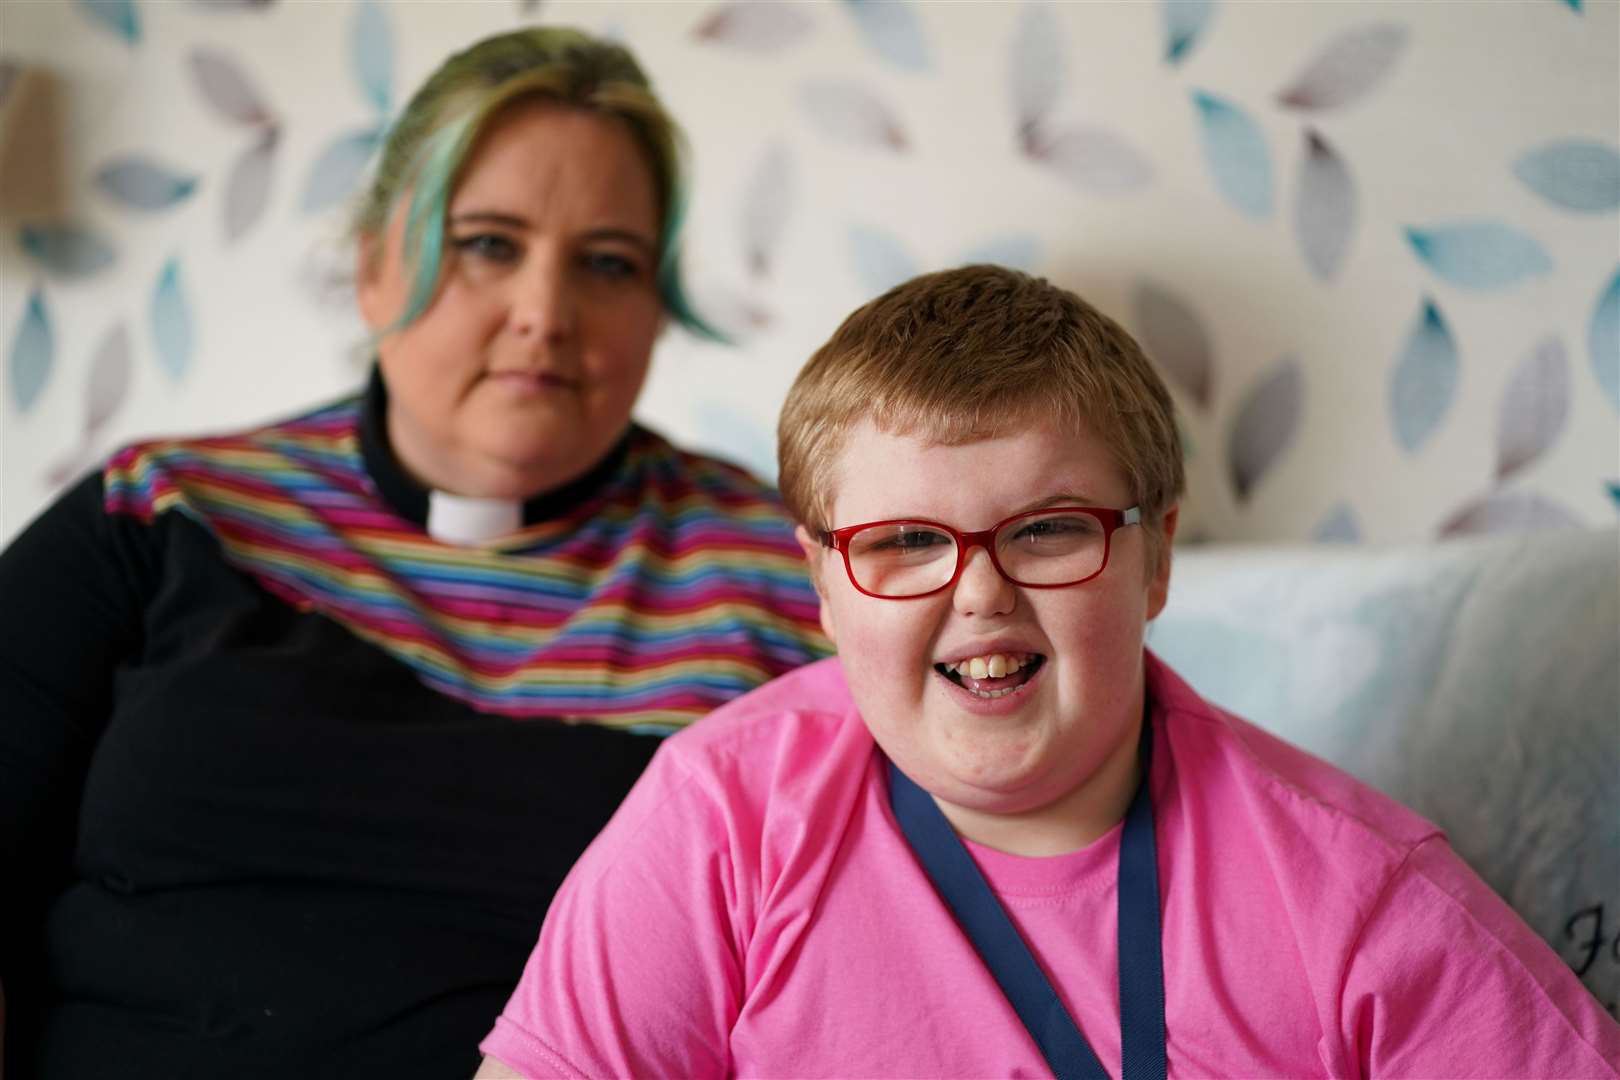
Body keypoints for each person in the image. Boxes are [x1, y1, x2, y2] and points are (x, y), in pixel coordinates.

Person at [477, 265, 1620, 1078]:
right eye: (905, 543)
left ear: (1154, 556)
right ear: (824, 586)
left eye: (1048, 529)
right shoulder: (719, 820)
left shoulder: (1362, 898)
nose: (979, 593)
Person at [0, 27, 829, 1078]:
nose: (545, 313)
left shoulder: (788, 579)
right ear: (374, 268)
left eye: (608, 263)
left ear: (655, 312)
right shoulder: (164, 511)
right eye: (488, 243)